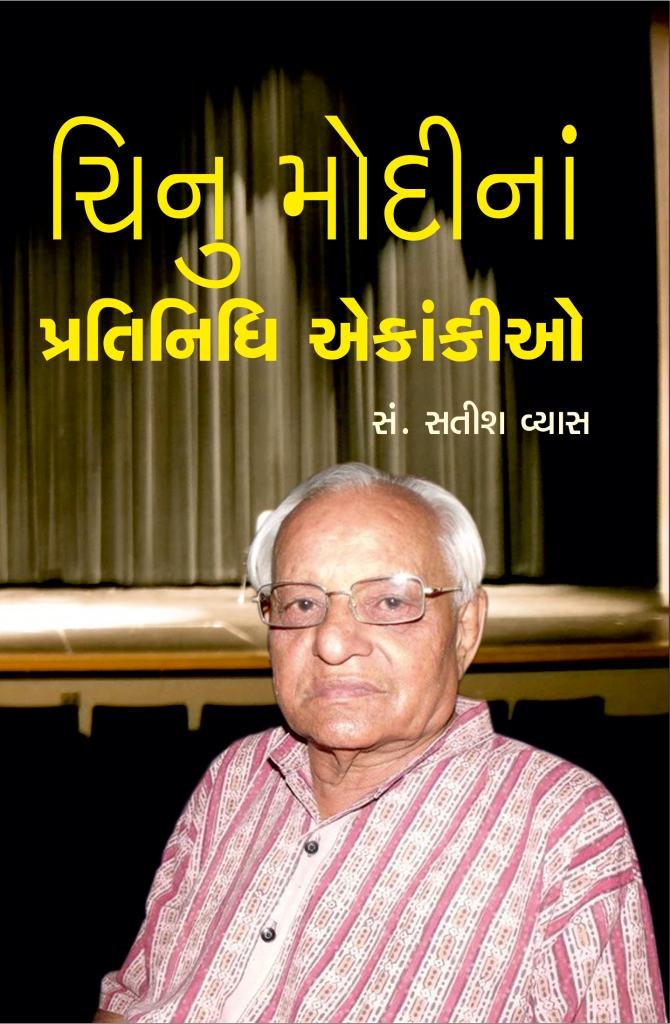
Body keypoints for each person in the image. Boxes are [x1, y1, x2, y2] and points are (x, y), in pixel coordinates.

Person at [95, 463, 666, 1024]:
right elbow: (132, 998)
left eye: (390, 602)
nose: (333, 642)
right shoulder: (235, 776)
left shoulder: (562, 826)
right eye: (301, 603)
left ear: (465, 628)